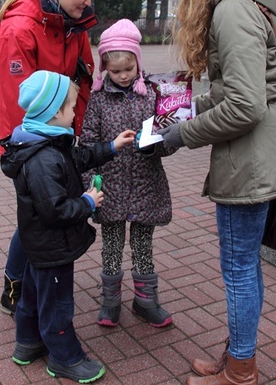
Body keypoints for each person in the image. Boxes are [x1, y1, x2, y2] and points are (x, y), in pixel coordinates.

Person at [159, 0, 276, 384]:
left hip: (251, 158)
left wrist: (180, 136)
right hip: (268, 149)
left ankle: (241, 369)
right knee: (246, 264)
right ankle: (240, 352)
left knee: (238, 267)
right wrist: (182, 111)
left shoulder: (232, 9)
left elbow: (245, 104)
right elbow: (253, 88)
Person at [0, 70, 135, 383]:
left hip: (39, 245)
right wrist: (87, 203)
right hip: (52, 245)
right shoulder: (43, 160)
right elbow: (55, 210)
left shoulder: (45, 143)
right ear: (54, 112)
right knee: (58, 302)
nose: (76, 112)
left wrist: (111, 147)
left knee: (34, 293)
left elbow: (79, 156)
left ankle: (28, 343)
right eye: (72, 107)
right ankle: (65, 358)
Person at [0, 0, 100, 316]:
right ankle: (15, 288)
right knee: (38, 216)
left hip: (59, 135)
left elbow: (82, 75)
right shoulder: (20, 30)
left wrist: (76, 131)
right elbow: (19, 101)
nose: (88, 2)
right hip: (31, 142)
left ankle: (26, 290)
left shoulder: (73, 22)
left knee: (39, 216)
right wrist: (48, 148)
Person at [80, 19, 177, 328]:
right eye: (115, 71)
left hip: (145, 185)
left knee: (142, 245)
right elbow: (88, 145)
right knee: (110, 246)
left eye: (128, 69)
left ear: (138, 61)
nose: (122, 76)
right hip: (108, 187)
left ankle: (146, 302)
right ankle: (110, 303)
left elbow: (169, 136)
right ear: (104, 68)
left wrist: (156, 146)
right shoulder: (98, 99)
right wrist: (90, 187)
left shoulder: (153, 94)